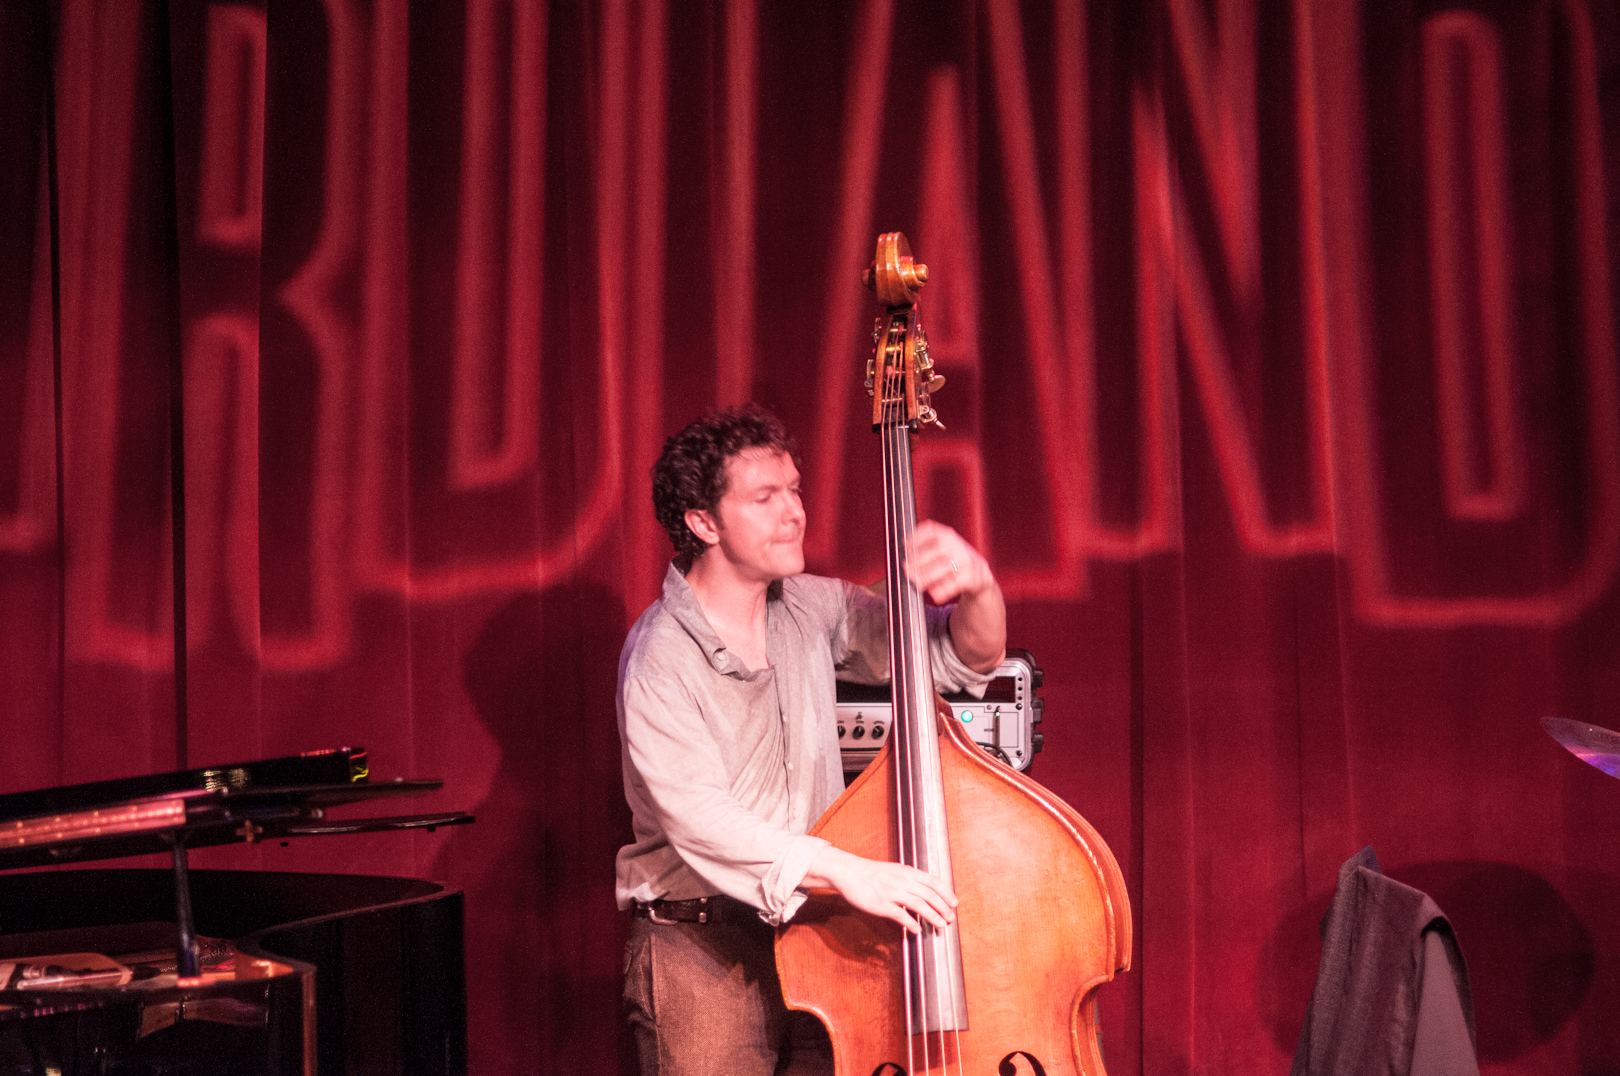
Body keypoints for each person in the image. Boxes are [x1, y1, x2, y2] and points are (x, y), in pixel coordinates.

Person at [616, 405, 1007, 1076]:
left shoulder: (810, 606)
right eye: (765, 497)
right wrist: (849, 869)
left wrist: (978, 584)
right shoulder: (658, 657)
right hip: (699, 945)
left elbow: (957, 659)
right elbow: (701, 822)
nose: (794, 511)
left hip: (813, 931)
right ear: (703, 523)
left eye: (794, 489)